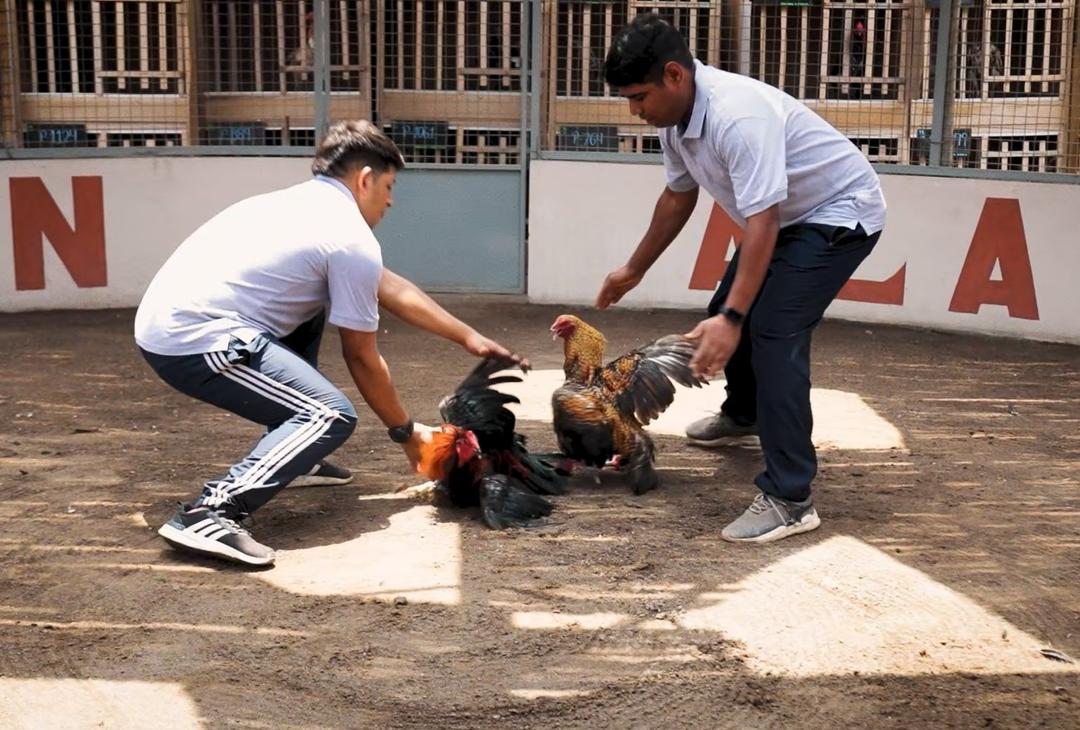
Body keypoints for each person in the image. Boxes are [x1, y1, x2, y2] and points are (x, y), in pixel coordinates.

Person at [135, 120, 527, 566]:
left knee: (312, 306)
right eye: (389, 186)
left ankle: (295, 457)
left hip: (169, 322)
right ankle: (210, 512)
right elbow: (360, 356)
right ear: (364, 179)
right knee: (327, 413)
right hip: (195, 337)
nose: (391, 200)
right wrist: (406, 433)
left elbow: (390, 286)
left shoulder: (293, 207)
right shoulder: (347, 238)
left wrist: (467, 337)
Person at [595, 15, 886, 544]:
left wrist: (731, 319)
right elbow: (679, 195)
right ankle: (746, 413)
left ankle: (790, 497)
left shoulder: (737, 117)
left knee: (769, 328)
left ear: (676, 75)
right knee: (732, 307)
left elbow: (764, 222)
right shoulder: (676, 121)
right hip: (792, 218)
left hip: (840, 214)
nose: (635, 112)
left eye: (639, 97)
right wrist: (634, 269)